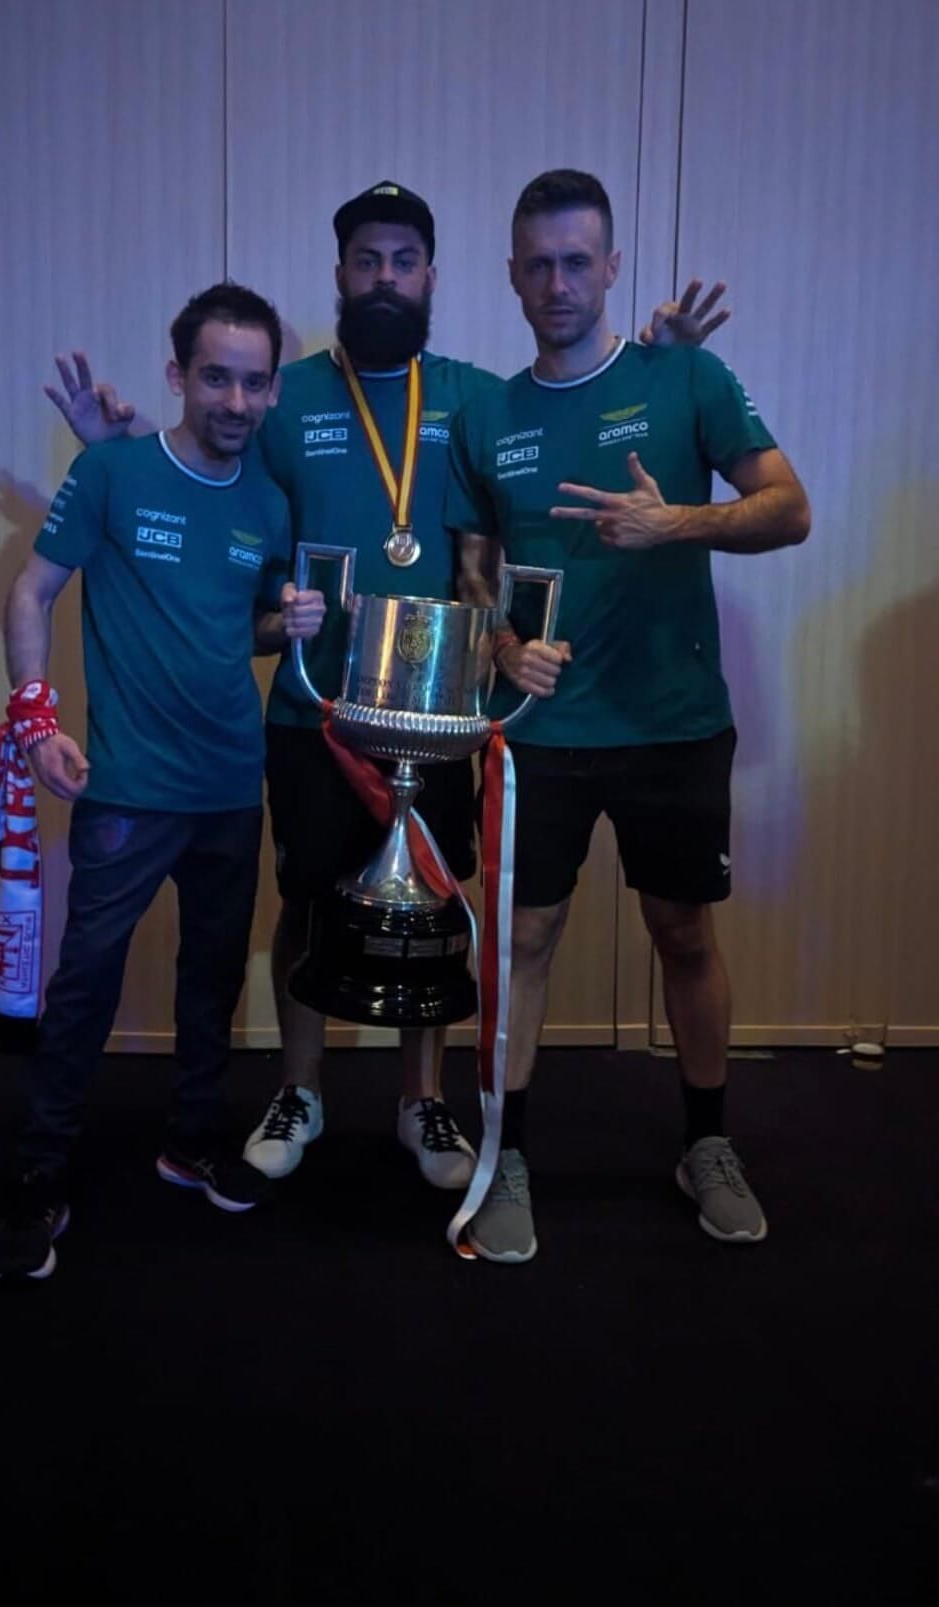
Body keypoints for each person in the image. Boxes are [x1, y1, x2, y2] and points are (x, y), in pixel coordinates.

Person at [49, 182, 729, 1195]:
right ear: (340, 276)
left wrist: (661, 363)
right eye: (367, 259)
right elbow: (208, 462)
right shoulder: (286, 400)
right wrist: (121, 453)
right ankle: (301, 1088)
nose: (385, 278)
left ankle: (422, 1097)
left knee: (437, 903)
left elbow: (504, 521)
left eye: (404, 260)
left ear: (433, 277)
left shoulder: (474, 396)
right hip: (313, 707)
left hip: (443, 713)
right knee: (309, 896)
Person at [445, 170, 810, 1263]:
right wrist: (502, 643)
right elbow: (474, 564)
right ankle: (506, 1150)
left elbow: (788, 509)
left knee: (684, 931)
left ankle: (707, 1142)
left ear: (611, 266)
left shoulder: (684, 375)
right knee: (523, 939)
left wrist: (677, 522)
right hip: (540, 734)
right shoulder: (487, 413)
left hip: (673, 720)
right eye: (537, 263)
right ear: (512, 275)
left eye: (577, 260)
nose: (557, 283)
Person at [0, 282, 325, 1282]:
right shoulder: (113, 471)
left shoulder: (267, 499)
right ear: (179, 376)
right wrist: (35, 718)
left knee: (213, 977)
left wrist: (288, 621)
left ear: (270, 391)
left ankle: (190, 1136)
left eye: (254, 381)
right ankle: (41, 1168)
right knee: (87, 977)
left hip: (231, 784)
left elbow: (248, 624)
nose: (235, 398)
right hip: (128, 788)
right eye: (215, 375)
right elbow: (31, 591)